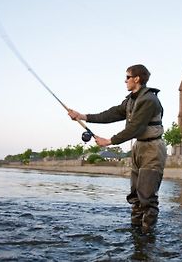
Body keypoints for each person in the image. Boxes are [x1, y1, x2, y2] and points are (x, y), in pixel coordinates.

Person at [68, 64, 167, 231]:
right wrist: (83, 116)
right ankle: (136, 232)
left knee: (147, 197)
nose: (125, 80)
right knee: (135, 195)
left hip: (153, 149)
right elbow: (112, 113)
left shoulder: (149, 100)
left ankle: (148, 238)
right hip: (138, 147)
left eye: (127, 77)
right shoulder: (131, 99)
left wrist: (109, 141)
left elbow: (135, 127)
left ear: (137, 79)